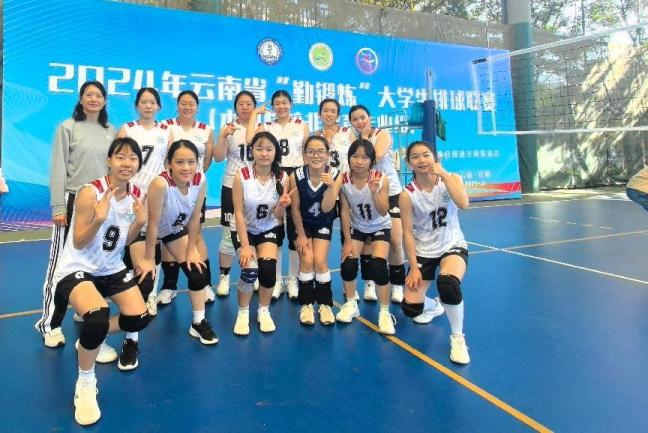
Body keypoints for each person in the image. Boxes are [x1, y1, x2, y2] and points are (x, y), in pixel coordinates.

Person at [50, 138, 152, 425]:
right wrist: (98, 219)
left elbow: (123, 241)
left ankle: (88, 340)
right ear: (109, 160)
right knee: (96, 317)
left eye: (133, 158)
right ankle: (85, 382)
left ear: (138, 164)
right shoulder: (90, 192)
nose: (126, 163)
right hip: (78, 267)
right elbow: (79, 242)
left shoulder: (136, 195)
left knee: (139, 318)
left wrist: (139, 223)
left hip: (111, 267)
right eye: (120, 157)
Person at [36, 81, 117, 351]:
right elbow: (58, 168)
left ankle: (84, 308)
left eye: (99, 95)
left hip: (100, 200)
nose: (94, 99)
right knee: (60, 264)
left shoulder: (110, 130)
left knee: (93, 261)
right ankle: (50, 325)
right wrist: (58, 206)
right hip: (73, 200)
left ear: (105, 101)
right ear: (81, 99)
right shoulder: (67, 127)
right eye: (89, 95)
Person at [136, 139, 218, 345]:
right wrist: (149, 259)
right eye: (180, 162)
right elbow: (152, 224)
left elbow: (195, 218)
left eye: (191, 162)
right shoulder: (160, 184)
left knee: (197, 272)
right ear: (169, 164)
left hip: (172, 229)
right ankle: (131, 338)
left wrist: (191, 250)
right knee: (145, 281)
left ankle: (198, 322)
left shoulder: (200, 180)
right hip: (144, 232)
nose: (186, 167)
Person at [400, 140, 470, 364]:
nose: (421, 160)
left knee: (448, 284)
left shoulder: (451, 179)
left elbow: (464, 203)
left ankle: (457, 338)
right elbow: (407, 233)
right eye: (415, 157)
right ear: (409, 164)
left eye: (426, 155)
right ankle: (436, 306)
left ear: (435, 158)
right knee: (410, 307)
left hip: (452, 244)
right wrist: (413, 267)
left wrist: (445, 176)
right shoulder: (407, 194)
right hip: (424, 249)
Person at [323, 139, 395, 335]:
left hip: (380, 226)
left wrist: (374, 192)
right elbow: (343, 211)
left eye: (364, 157)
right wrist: (347, 241)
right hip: (358, 227)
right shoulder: (344, 179)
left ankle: (384, 312)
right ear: (349, 158)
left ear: (371, 160)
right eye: (355, 156)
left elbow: (383, 210)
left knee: (379, 267)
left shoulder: (380, 178)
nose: (359, 161)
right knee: (348, 263)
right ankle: (351, 304)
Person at [247, 90, 309, 300]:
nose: (281, 106)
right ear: (272, 107)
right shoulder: (267, 126)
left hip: (296, 176)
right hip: (276, 175)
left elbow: (307, 154)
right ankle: (275, 278)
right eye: (277, 103)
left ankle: (292, 278)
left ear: (291, 104)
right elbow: (250, 140)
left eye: (284, 102)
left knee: (294, 228)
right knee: (275, 226)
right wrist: (255, 114)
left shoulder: (301, 125)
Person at [231, 131, 292, 335]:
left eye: (268, 149)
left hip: (268, 227)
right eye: (259, 149)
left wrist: (282, 206)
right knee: (250, 271)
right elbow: (238, 213)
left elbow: (277, 215)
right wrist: (245, 246)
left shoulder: (282, 177)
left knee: (267, 270)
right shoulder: (241, 176)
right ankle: (243, 312)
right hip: (244, 229)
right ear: (252, 151)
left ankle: (263, 311)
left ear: (276, 152)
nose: (264, 153)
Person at [117, 87, 170, 315]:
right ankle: (125, 291)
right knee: (124, 240)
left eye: (152, 102)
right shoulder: (127, 129)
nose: (148, 106)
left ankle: (150, 294)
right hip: (129, 196)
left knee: (152, 243)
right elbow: (116, 163)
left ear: (158, 106)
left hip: (155, 196)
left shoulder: (166, 131)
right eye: (144, 102)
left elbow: (169, 164)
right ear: (137, 105)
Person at [160, 90, 216, 304]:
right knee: (170, 236)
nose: (187, 107)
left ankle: (206, 284)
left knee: (196, 234)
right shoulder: (166, 126)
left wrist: (193, 178)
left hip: (193, 190)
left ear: (197, 107)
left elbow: (207, 160)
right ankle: (169, 286)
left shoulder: (206, 130)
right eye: (183, 103)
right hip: (171, 189)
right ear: (177, 105)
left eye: (191, 103)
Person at [349, 105, 405, 304]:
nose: (359, 122)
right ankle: (369, 283)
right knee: (367, 241)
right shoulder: (352, 139)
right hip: (364, 193)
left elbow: (375, 156)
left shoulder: (383, 134)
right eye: (355, 119)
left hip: (390, 192)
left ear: (369, 117)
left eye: (362, 117)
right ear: (351, 122)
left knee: (395, 241)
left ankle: (397, 285)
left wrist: (361, 144)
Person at [212, 90, 257, 297]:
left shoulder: (262, 128)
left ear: (254, 107)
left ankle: (251, 273)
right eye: (241, 103)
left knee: (254, 232)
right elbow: (218, 158)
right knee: (228, 234)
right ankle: (224, 276)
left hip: (255, 187)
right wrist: (222, 136)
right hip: (231, 185)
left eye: (249, 103)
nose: (245, 107)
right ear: (235, 107)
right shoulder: (229, 128)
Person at [290, 136, 338, 325]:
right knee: (307, 260)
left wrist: (331, 187)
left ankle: (325, 305)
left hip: (323, 221)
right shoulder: (296, 176)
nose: (316, 155)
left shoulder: (335, 175)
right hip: (301, 223)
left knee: (320, 261)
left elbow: (327, 208)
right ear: (305, 154)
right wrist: (301, 235)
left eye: (320, 151)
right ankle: (306, 304)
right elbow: (294, 209)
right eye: (311, 151)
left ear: (327, 155)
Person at [314, 98, 354, 174]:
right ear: (319, 114)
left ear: (338, 116)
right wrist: (327, 139)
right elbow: (316, 159)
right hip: (325, 177)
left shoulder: (347, 132)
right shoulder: (316, 135)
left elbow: (356, 155)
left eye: (333, 111)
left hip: (346, 176)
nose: (329, 114)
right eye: (325, 111)